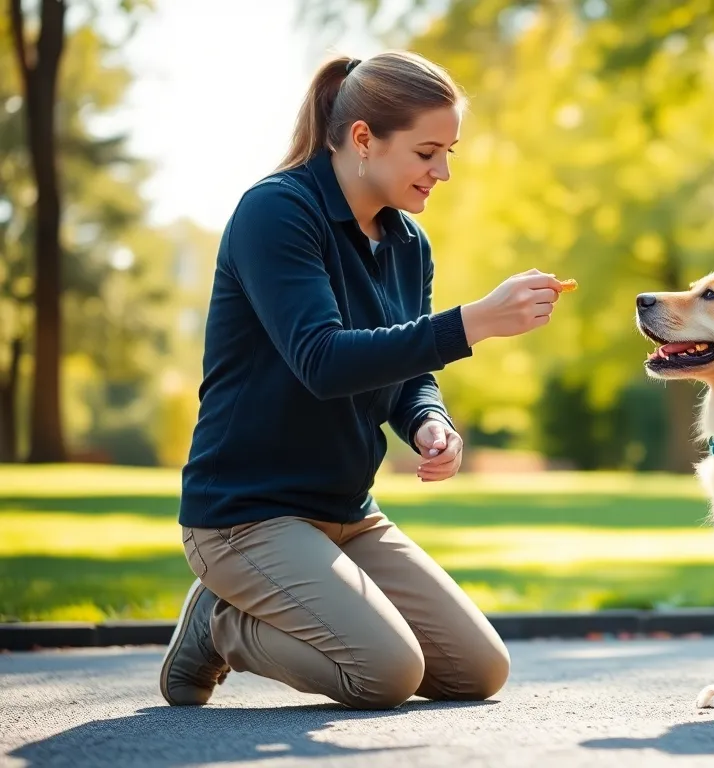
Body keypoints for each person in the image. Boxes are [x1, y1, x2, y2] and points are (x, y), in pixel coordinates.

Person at [159, 50, 565, 710]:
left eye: (450, 152)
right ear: (363, 139)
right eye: (428, 152)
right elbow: (323, 361)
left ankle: (256, 609)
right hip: (245, 515)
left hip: (348, 512)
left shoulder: (408, 244)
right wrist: (473, 322)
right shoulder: (277, 213)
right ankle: (222, 622)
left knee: (478, 671)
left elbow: (408, 372)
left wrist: (429, 420)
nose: (444, 172)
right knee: (384, 673)